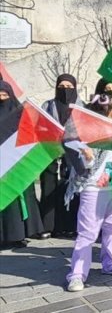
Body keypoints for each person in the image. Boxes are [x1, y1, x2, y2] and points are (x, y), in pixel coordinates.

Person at [65, 95, 112, 292]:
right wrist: (87, 156)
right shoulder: (89, 133)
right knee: (87, 233)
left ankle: (110, 262)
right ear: (110, 110)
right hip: (92, 188)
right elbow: (79, 161)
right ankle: (77, 274)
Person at [0, 81, 44, 248]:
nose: (2, 99)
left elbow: (30, 135)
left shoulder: (21, 114)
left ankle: (19, 234)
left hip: (18, 162)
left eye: (5, 96)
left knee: (19, 200)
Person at [40, 74, 84, 238]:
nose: (65, 90)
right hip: (50, 150)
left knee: (71, 186)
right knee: (49, 186)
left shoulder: (81, 107)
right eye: (62, 86)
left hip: (73, 152)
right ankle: (48, 226)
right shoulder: (48, 105)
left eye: (69, 87)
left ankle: (70, 225)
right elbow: (41, 124)